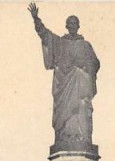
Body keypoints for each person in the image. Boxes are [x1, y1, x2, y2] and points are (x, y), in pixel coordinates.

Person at [28, 3, 100, 152]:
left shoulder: (86, 45)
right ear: (66, 26)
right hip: (64, 88)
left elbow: (95, 63)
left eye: (75, 24)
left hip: (81, 87)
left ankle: (83, 138)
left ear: (78, 26)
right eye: (70, 24)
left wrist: (84, 68)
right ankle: (64, 137)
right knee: (65, 117)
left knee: (82, 111)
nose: (72, 26)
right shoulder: (59, 43)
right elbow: (45, 35)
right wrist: (36, 19)